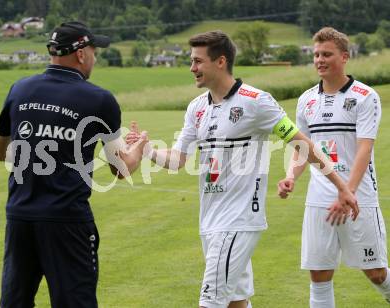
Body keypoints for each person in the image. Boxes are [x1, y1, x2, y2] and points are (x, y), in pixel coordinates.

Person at [127, 30, 358, 308]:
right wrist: (147, 148)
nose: (192, 68)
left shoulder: (256, 101)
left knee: (211, 301)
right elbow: (178, 158)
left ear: (220, 62)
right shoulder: (196, 108)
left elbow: (303, 144)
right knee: (236, 302)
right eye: (192, 61)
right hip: (210, 221)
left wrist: (342, 187)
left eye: (198, 61)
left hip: (239, 221)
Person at [0, 21, 147, 308]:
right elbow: (120, 168)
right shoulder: (99, 99)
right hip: (67, 220)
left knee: (14, 302)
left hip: (20, 217)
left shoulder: (20, 89)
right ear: (81, 53)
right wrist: (139, 148)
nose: (95, 58)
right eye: (94, 51)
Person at [278, 27, 389, 307]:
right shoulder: (306, 100)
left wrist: (347, 192)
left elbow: (365, 148)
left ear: (344, 56)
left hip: (358, 197)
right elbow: (303, 148)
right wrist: (291, 176)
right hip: (319, 200)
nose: (319, 60)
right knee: (319, 273)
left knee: (375, 272)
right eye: (316, 54)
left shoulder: (365, 96)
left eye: (326, 54)